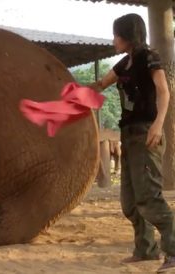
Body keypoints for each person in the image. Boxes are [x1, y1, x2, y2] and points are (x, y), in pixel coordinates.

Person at [90, 13, 174, 273]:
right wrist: (69, 91)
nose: (113, 39)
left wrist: (159, 125)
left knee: (149, 197)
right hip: (129, 136)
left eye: (116, 34)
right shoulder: (124, 63)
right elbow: (101, 84)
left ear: (128, 35)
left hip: (148, 132)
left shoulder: (149, 58)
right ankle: (145, 249)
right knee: (130, 201)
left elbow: (163, 91)